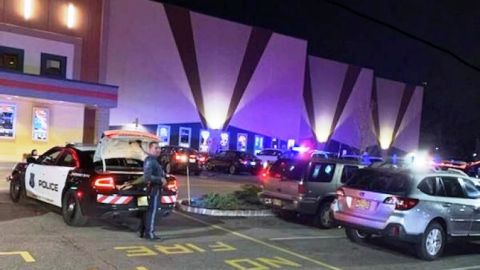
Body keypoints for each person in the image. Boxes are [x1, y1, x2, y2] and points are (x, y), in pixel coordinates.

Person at [138, 141, 164, 240]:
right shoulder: (150, 161)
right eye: (156, 148)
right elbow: (147, 177)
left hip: (155, 189)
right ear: (150, 149)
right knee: (152, 211)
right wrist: (160, 179)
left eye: (159, 148)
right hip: (154, 190)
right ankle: (150, 233)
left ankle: (145, 232)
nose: (158, 150)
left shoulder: (155, 160)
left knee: (149, 211)